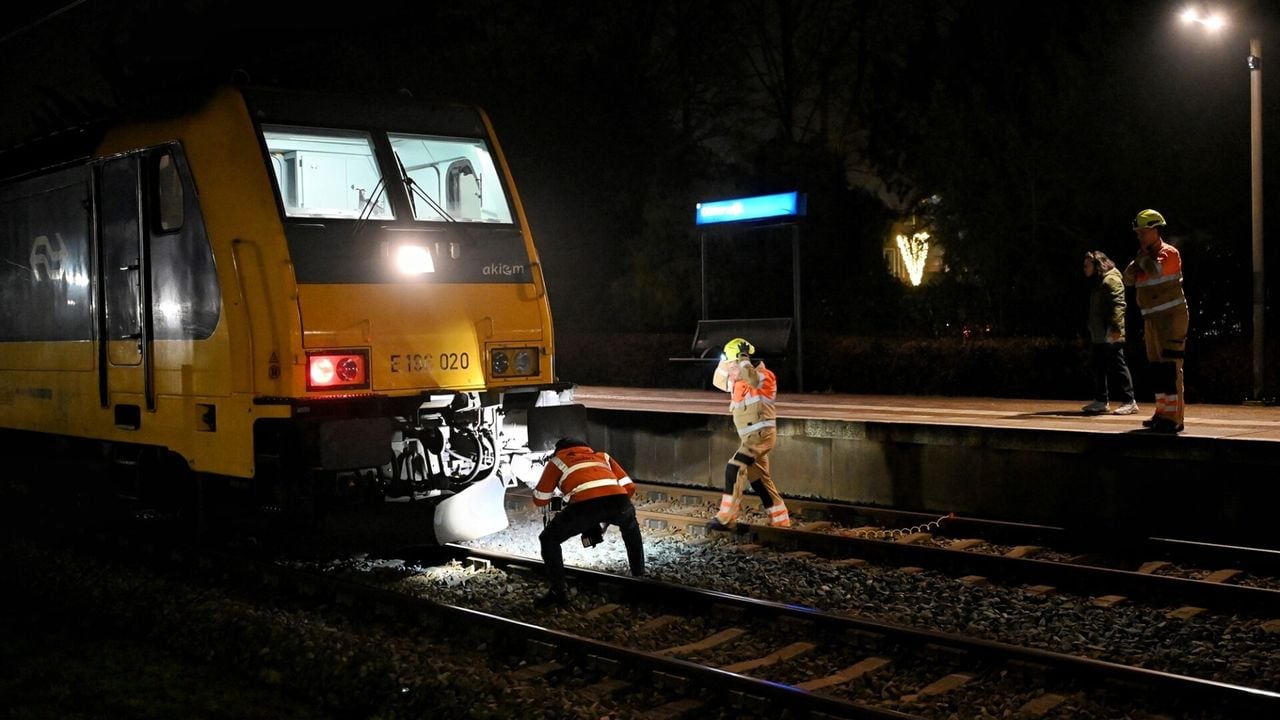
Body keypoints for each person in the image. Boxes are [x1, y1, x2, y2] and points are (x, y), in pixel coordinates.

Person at [531, 437, 645, 606]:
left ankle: (558, 592)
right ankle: (639, 576)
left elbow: (540, 500)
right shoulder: (603, 456)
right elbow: (630, 487)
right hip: (619, 502)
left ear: (558, 450)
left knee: (548, 539)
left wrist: (559, 493)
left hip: (585, 507)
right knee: (630, 528)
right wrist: (607, 513)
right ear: (586, 448)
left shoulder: (557, 461)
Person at [707, 337, 791, 530]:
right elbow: (718, 380)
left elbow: (752, 378)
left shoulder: (764, 376)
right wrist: (724, 359)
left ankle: (726, 517)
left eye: (732, 365)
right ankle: (780, 520)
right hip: (750, 439)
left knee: (734, 467)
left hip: (761, 436)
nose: (730, 371)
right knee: (760, 480)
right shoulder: (737, 382)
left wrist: (743, 358)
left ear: (743, 362)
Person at [1122, 209, 1189, 433]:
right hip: (1152, 320)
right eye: (1138, 232)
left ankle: (1175, 418)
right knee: (1158, 369)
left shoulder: (1169, 253)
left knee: (1171, 368)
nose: (1139, 236)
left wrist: (1141, 260)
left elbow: (1154, 271)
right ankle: (1163, 414)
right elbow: (1128, 278)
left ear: (1155, 230)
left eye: (1142, 232)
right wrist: (1140, 261)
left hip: (1171, 320)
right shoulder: (1143, 257)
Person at [1082, 251, 1139, 416]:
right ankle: (1101, 400)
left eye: (1087, 265)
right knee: (1098, 365)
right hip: (1100, 332)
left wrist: (1115, 329)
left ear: (1097, 264)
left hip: (1110, 331)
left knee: (1117, 364)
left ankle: (1129, 401)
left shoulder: (1110, 280)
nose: (1084, 268)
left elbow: (1118, 305)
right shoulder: (1099, 282)